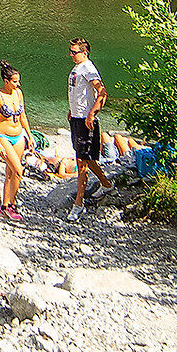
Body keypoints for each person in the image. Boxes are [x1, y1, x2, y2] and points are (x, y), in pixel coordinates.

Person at [67, 38, 114, 220]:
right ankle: (106, 183)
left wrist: (92, 114)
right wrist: (72, 110)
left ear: (84, 53)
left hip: (86, 121)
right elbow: (78, 93)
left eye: (74, 52)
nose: (71, 55)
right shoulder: (78, 68)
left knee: (81, 161)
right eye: (71, 52)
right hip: (77, 118)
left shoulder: (88, 68)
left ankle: (79, 204)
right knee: (86, 157)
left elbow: (102, 92)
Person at [0, 62, 30, 220]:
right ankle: (12, 204)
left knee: (10, 173)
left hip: (18, 136)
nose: (18, 84)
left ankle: (5, 205)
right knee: (18, 171)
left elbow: (23, 116)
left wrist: (30, 136)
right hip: (4, 137)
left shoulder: (18, 93)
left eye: (19, 81)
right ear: (6, 81)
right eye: (15, 81)